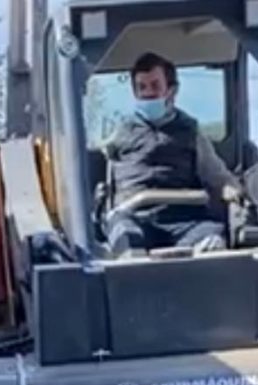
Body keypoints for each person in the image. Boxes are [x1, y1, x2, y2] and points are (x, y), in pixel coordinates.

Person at [101, 51, 244, 256]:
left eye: (155, 86)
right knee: (124, 235)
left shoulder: (190, 132)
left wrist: (233, 190)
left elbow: (218, 176)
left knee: (212, 238)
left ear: (171, 90)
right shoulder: (120, 134)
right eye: (142, 87)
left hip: (184, 219)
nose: (148, 93)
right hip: (135, 216)